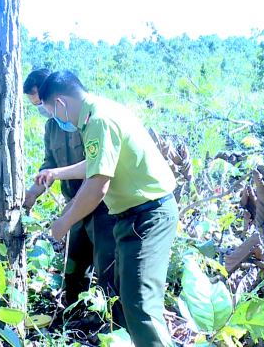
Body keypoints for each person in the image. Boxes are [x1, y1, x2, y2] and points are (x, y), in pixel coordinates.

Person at [34, 71, 177, 347]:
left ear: (61, 104)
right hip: (132, 217)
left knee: (140, 306)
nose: (55, 121)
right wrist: (57, 173)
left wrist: (64, 224)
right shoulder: (95, 115)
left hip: (149, 216)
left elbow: (97, 186)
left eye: (52, 113)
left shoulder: (98, 120)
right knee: (124, 297)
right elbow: (96, 163)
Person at [23, 69, 121, 315]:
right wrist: (32, 193)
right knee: (74, 266)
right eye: (37, 106)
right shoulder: (52, 128)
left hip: (101, 205)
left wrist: (66, 216)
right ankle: (77, 314)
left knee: (107, 266)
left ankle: (112, 323)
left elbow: (96, 172)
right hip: (74, 206)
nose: (43, 111)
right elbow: (49, 167)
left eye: (43, 104)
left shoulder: (84, 121)